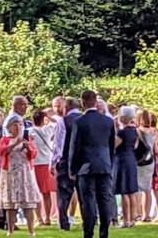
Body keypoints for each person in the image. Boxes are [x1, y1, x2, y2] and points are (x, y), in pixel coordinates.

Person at [68, 91, 115, 238]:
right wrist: (110, 163)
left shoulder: (79, 122)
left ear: (83, 102)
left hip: (85, 166)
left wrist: (72, 169)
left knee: (87, 201)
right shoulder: (108, 121)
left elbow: (74, 147)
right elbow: (111, 145)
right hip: (104, 164)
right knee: (104, 200)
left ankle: (88, 232)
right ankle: (104, 232)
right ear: (95, 102)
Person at [0, 116, 40, 236]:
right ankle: (10, 230)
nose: (18, 127)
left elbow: (33, 154)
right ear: (9, 127)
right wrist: (15, 143)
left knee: (28, 203)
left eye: (20, 124)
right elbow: (1, 151)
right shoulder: (4, 140)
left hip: (24, 173)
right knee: (10, 204)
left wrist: (28, 147)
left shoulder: (26, 140)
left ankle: (31, 231)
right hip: (9, 173)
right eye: (15, 124)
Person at [55, 97, 82, 230]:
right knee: (85, 193)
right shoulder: (85, 120)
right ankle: (88, 220)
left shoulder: (63, 121)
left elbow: (58, 143)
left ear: (67, 108)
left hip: (66, 160)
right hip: (84, 161)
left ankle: (64, 223)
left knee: (63, 194)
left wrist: (54, 161)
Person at [113, 106, 140, 228]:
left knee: (124, 191)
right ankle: (133, 218)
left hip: (122, 160)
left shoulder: (122, 132)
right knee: (132, 191)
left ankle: (126, 220)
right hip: (131, 159)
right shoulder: (135, 131)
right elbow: (135, 146)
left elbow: (113, 145)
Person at [30, 110, 57, 228]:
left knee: (36, 192)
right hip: (47, 163)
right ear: (43, 119)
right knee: (46, 193)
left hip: (35, 164)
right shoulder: (47, 130)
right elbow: (57, 123)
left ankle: (39, 218)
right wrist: (48, 116)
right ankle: (47, 217)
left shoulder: (30, 132)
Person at [134, 110, 158, 223]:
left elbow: (135, 146)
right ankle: (146, 214)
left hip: (139, 161)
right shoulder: (153, 131)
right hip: (150, 161)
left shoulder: (137, 131)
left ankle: (136, 212)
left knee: (136, 188)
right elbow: (155, 149)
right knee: (147, 189)